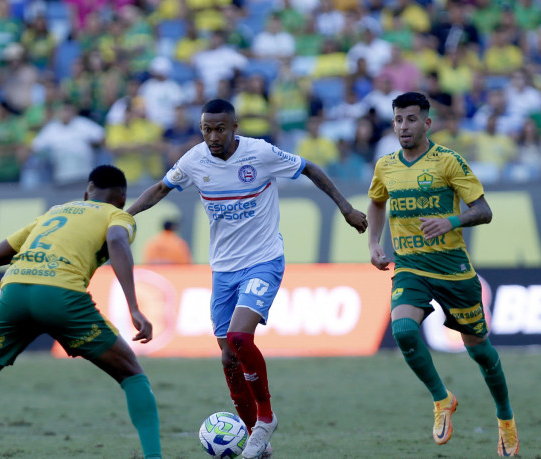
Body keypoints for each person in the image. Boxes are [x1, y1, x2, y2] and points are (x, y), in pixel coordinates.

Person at [127, 99, 367, 459]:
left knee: (240, 336)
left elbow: (310, 169)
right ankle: (260, 441)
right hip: (223, 269)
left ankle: (265, 419)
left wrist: (346, 208)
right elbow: (160, 189)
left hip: (263, 260)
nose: (212, 136)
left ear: (235, 127)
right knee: (227, 358)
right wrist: (125, 217)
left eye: (220, 128)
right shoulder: (194, 160)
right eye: (206, 129)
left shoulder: (260, 153)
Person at [0, 165, 162, 459]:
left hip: (14, 295)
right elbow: (115, 241)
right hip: (60, 296)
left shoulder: (54, 213)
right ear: (122, 199)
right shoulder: (118, 216)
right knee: (132, 374)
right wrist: (134, 307)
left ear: (86, 192)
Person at [366, 92, 519, 456]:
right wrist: (373, 243)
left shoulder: (448, 162)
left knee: (481, 353)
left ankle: (506, 420)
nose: (404, 126)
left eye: (411, 119)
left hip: (453, 271)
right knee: (402, 330)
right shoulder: (385, 165)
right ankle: (442, 398)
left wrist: (450, 220)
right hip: (410, 268)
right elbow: (375, 202)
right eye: (399, 119)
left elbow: (483, 210)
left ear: (427, 123)